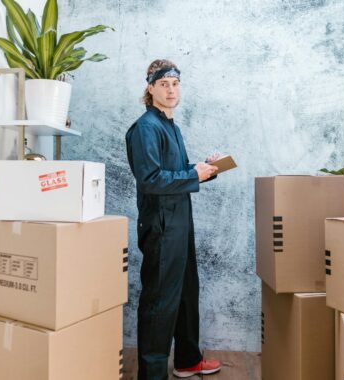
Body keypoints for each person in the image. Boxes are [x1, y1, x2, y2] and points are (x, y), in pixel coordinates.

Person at [126, 59, 221, 379]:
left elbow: (176, 173)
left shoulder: (171, 126)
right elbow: (151, 179)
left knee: (185, 292)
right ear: (150, 87)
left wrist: (205, 170)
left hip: (180, 222)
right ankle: (152, 374)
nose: (171, 90)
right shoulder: (145, 128)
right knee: (159, 302)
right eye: (163, 84)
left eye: (175, 84)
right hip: (161, 227)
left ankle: (187, 359)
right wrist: (193, 174)